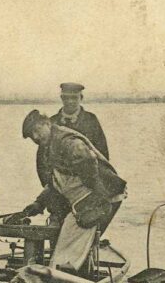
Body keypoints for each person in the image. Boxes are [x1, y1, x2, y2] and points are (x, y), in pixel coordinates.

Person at [19, 110, 126, 272]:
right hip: (83, 199)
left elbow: (88, 162)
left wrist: (98, 198)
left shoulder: (67, 142)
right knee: (70, 244)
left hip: (105, 195)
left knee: (77, 244)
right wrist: (39, 203)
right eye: (32, 135)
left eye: (37, 130)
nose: (36, 137)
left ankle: (77, 279)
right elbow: (57, 182)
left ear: (47, 123)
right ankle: (73, 275)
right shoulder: (50, 144)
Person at [34, 83, 109, 215]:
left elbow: (102, 154)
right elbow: (41, 161)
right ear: (61, 98)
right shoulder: (51, 123)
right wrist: (51, 188)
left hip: (86, 192)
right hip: (58, 192)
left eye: (74, 98)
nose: (70, 101)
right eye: (66, 98)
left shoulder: (91, 121)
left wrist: (93, 188)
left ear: (81, 98)